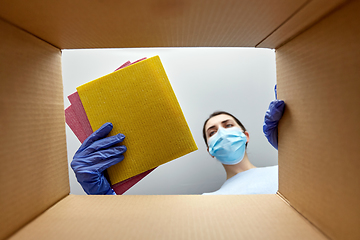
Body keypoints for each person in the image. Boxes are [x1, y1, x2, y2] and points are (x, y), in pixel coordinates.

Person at [71, 86, 285, 195]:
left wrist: (294, 147)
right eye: (212, 132)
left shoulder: (285, 171)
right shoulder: (209, 201)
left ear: (245, 136)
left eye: (228, 125)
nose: (221, 132)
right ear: (210, 150)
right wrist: (104, 199)